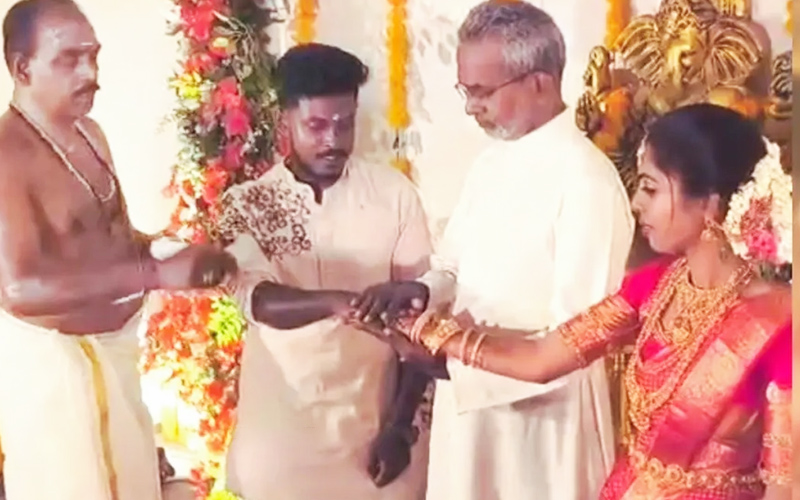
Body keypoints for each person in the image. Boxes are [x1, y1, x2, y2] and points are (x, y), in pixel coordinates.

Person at [379, 104, 792, 500]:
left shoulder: (777, 325)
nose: (636, 202)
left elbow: (785, 487)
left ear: (709, 205)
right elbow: (542, 358)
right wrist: (429, 331)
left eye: (651, 188)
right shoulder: (653, 286)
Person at [354, 3, 634, 500]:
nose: (470, 107)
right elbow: (453, 266)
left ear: (539, 82)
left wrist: (450, 363)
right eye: (465, 90)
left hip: (542, 429)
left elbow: (580, 338)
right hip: (469, 413)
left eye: (482, 91)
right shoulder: (489, 163)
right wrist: (421, 290)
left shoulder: (586, 180)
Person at [0, 0, 235, 499]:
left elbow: (115, 237)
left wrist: (171, 251)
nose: (90, 73)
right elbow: (17, 288)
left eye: (93, 56)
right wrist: (153, 274)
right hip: (58, 383)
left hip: (117, 362)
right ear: (22, 68)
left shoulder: (91, 134)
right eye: (70, 59)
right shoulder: (6, 154)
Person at [219, 43, 432, 500]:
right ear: (284, 122)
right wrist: (340, 302)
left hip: (372, 436)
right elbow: (258, 300)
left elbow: (420, 319)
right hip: (280, 440)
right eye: (316, 126)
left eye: (345, 123)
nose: (333, 140)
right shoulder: (248, 204)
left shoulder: (394, 195)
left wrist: (400, 428)